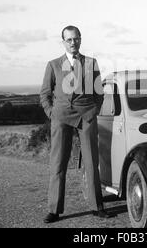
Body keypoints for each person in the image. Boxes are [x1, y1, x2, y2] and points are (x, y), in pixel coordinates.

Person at [40, 25, 110, 223]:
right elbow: (45, 94)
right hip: (60, 117)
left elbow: (99, 93)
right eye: (69, 40)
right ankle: (54, 210)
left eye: (76, 39)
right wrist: (51, 113)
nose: (73, 43)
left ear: (80, 39)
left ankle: (98, 206)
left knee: (91, 162)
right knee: (58, 163)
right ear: (63, 42)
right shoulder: (53, 64)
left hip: (86, 117)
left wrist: (94, 111)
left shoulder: (91, 62)